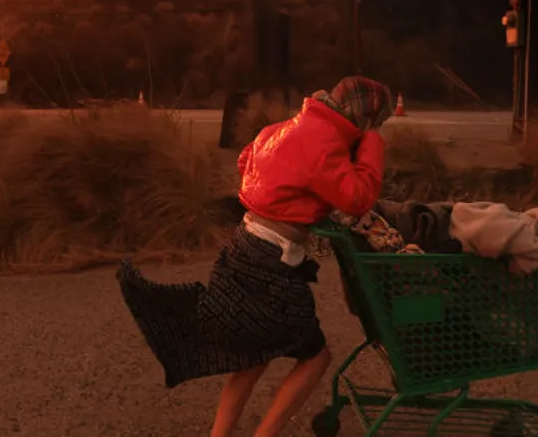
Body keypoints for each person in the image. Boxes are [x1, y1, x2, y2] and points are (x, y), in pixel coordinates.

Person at [117, 76, 393, 437]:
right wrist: (371, 142)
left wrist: (292, 195)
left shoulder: (284, 127)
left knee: (254, 355)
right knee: (316, 357)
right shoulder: (324, 141)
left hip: (245, 243)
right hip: (273, 260)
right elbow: (358, 198)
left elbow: (245, 159)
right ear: (365, 117)